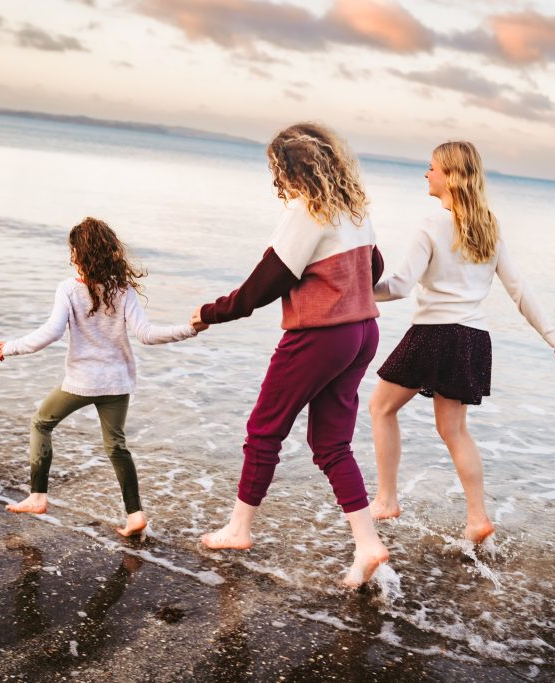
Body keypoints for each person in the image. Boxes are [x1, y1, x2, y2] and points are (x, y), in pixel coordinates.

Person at [192, 122, 389, 588]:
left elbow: (264, 285)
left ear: (288, 168)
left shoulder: (308, 212)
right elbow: (376, 268)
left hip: (321, 336)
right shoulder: (354, 210)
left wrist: (209, 313)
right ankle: (367, 544)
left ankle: (239, 528)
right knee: (331, 443)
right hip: (363, 333)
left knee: (264, 429)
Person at [369, 140, 555, 544]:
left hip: (434, 333)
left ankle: (387, 498)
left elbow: (401, 286)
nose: (426, 174)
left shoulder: (430, 225)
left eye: (431, 168)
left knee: (380, 408)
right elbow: (519, 288)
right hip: (473, 339)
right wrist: (551, 335)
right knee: (454, 429)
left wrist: (356, 289)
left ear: (450, 175)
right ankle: (477, 517)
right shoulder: (489, 226)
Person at [0, 217, 203, 539]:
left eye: (74, 251)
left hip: (81, 382)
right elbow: (146, 335)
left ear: (81, 253)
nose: (72, 257)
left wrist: (11, 347)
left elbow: (50, 333)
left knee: (41, 423)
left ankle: (37, 496)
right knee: (117, 447)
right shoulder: (122, 290)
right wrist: (189, 329)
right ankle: (135, 515)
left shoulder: (68, 289)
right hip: (117, 383)